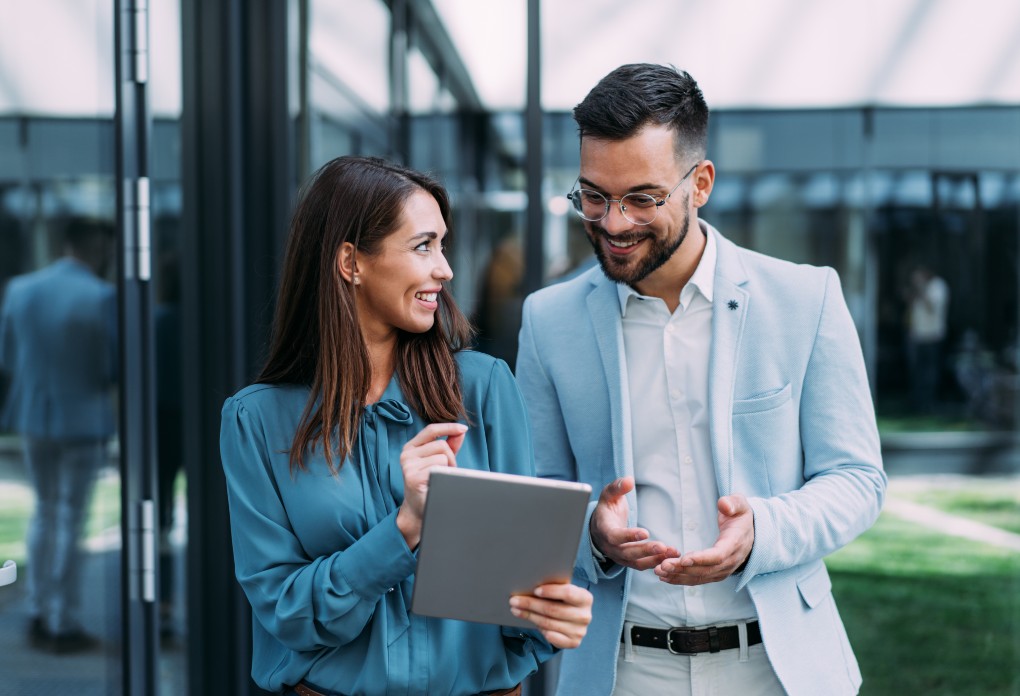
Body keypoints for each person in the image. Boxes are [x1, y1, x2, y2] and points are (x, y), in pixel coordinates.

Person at [515, 64, 887, 696]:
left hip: (777, 667)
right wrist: (592, 535)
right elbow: (535, 492)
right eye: (594, 196)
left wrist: (762, 532)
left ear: (701, 183)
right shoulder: (547, 321)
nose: (613, 223)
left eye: (642, 198)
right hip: (619, 669)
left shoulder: (806, 298)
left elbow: (857, 479)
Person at [219, 156, 593, 696]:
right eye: (423, 246)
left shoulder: (484, 389)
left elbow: (519, 602)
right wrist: (406, 526)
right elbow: (287, 614)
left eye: (443, 245)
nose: (445, 268)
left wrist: (553, 613)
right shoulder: (256, 420)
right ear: (351, 261)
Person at [0, 216, 116, 654]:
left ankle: (36, 608)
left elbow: (7, 356)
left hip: (34, 414)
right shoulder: (101, 295)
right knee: (70, 517)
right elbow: (111, 365)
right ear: (93, 246)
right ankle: (61, 619)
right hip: (83, 419)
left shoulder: (20, 289)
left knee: (44, 511)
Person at [905, 262, 949, 412]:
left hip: (932, 336)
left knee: (930, 372)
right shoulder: (919, 290)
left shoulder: (938, 286)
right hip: (918, 336)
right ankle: (918, 402)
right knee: (917, 372)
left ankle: (930, 403)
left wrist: (921, 287)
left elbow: (931, 306)